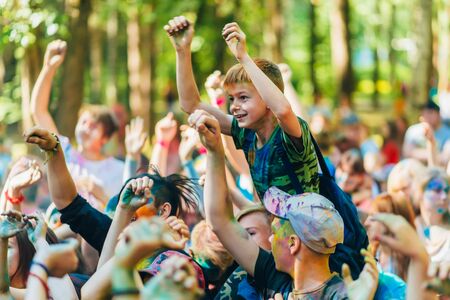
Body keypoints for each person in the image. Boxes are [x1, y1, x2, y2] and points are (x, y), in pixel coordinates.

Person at [194, 110, 348, 299]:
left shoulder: (341, 295)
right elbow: (220, 222)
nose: (269, 240)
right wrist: (214, 150)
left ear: (293, 243)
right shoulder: (274, 276)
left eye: (275, 233)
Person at [164, 16, 319, 201]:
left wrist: (243, 57)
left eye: (243, 97)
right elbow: (191, 105)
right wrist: (182, 51)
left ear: (269, 98)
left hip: (304, 229)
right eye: (232, 99)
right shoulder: (246, 134)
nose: (235, 106)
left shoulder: (291, 133)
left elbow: (283, 110)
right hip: (270, 229)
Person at [30, 40, 124, 208]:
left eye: (94, 126)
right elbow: (39, 111)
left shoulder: (119, 170)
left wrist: (99, 193)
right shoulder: (63, 153)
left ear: (105, 138)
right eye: (83, 122)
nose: (85, 128)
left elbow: (124, 215)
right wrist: (49, 68)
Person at [403, 100, 450, 164]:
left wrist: (417, 153)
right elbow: (407, 152)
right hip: (415, 168)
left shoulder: (447, 134)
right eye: (423, 113)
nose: (426, 116)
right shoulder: (413, 131)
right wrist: (433, 155)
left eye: (430, 112)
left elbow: (445, 158)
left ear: (438, 115)